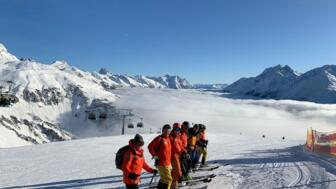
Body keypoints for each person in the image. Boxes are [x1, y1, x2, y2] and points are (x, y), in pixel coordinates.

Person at [148, 124, 172, 189]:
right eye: (165, 131)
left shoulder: (168, 139)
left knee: (163, 179)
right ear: (162, 131)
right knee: (168, 179)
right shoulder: (159, 138)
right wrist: (156, 157)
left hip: (167, 163)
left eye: (169, 131)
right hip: (162, 163)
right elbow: (150, 147)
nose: (167, 132)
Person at [170, 123, 184, 189]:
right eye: (176, 129)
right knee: (178, 172)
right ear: (173, 129)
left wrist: (184, 152)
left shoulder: (178, 136)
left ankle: (174, 185)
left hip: (178, 155)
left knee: (174, 171)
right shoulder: (170, 137)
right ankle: (172, 184)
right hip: (173, 156)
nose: (177, 131)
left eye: (178, 129)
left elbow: (180, 146)